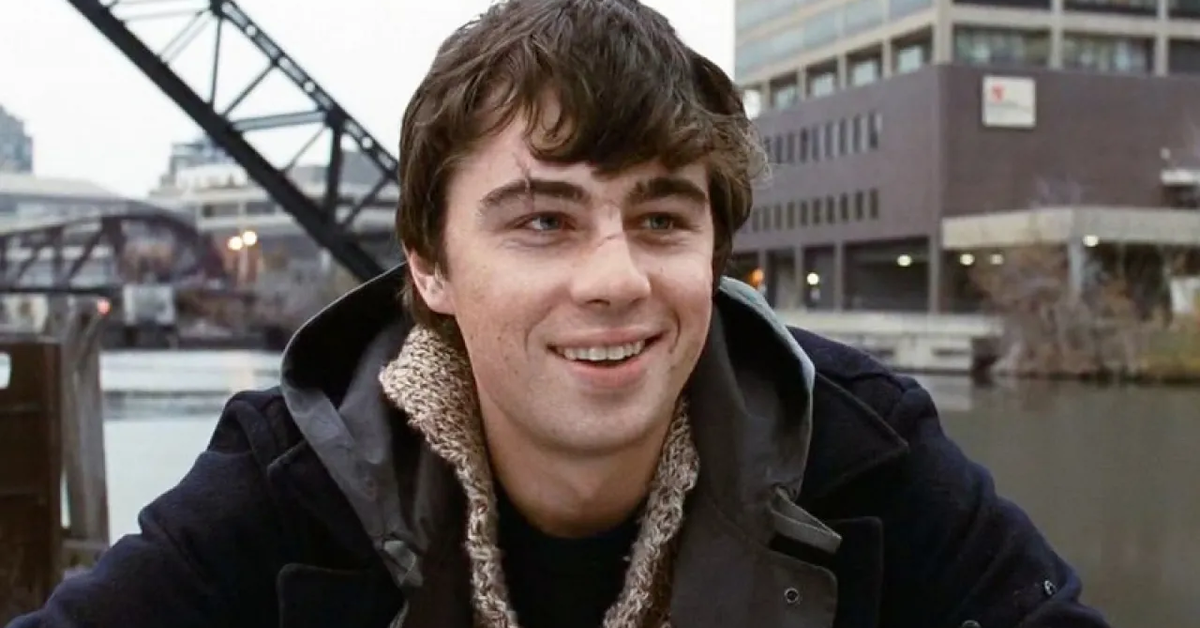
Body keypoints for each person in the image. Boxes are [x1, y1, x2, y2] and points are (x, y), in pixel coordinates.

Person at [8, 0, 1111, 627]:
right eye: (543, 221)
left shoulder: (861, 453)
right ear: (430, 266)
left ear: (716, 257)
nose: (615, 277)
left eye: (663, 219)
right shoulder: (296, 477)